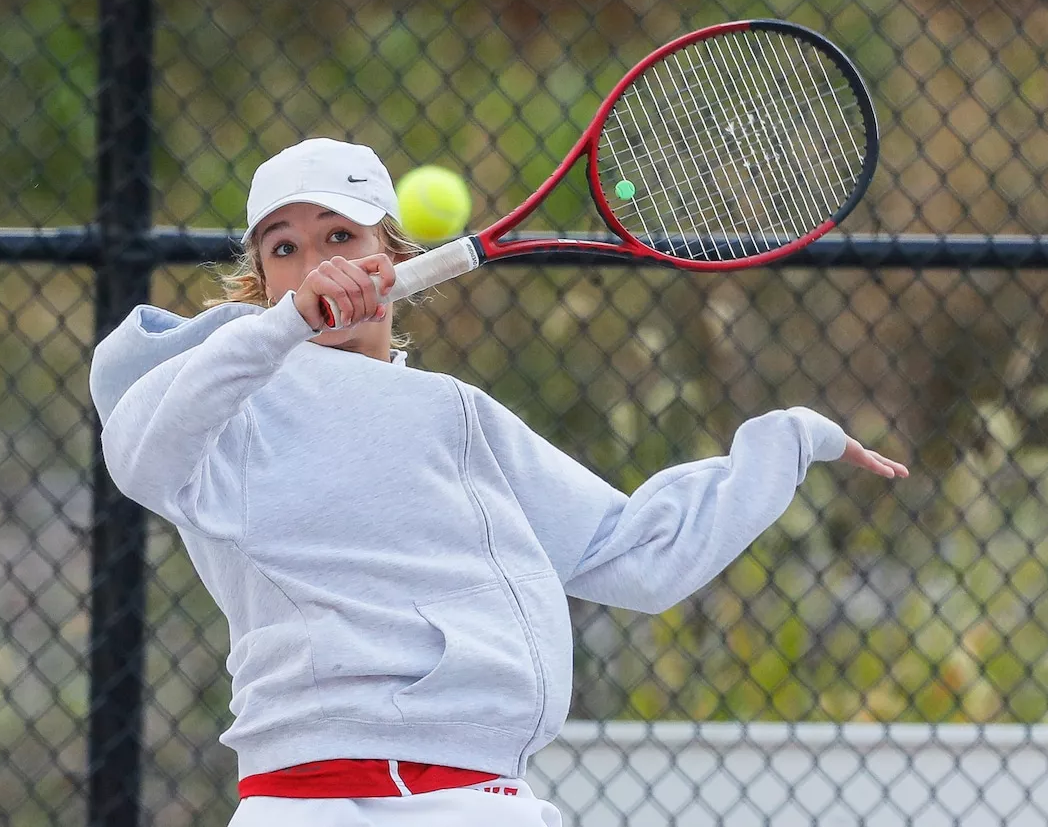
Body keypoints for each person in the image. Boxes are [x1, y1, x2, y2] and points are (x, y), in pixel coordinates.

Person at [89, 137, 909, 827]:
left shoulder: (458, 415)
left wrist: (793, 438)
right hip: (314, 800)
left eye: (340, 236)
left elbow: (636, 555)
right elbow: (142, 457)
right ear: (261, 282)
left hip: (482, 797)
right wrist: (283, 328)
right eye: (284, 247)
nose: (315, 264)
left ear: (392, 258)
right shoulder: (226, 404)